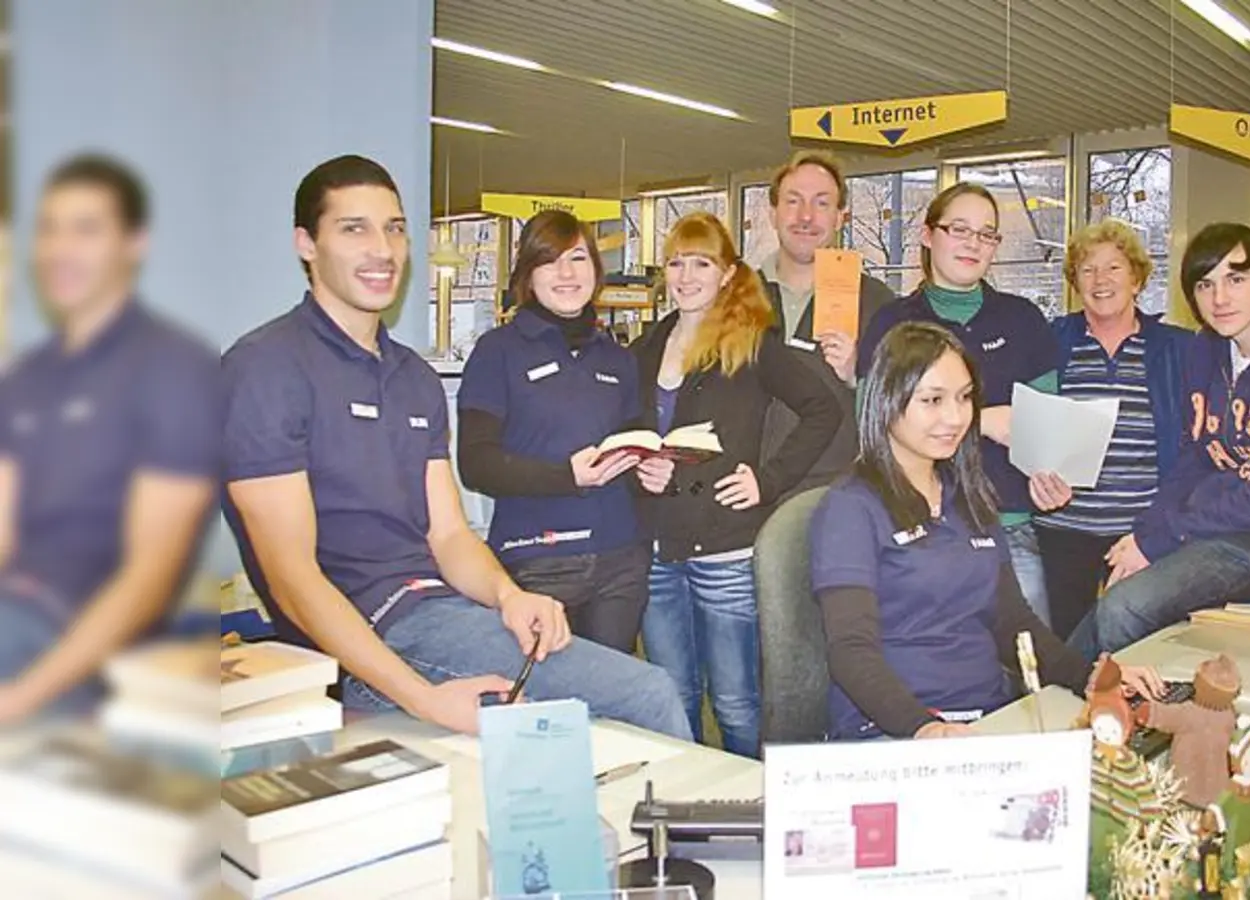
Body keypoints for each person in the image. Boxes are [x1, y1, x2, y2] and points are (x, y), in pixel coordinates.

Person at [220, 155, 690, 739]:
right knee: (648, 694)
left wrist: (509, 596)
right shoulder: (265, 369)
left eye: (394, 228)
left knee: (592, 732)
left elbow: (448, 535)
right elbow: (292, 578)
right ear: (306, 244)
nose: (382, 249)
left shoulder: (413, 378)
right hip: (373, 635)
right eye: (353, 229)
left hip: (442, 609)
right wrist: (425, 700)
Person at [810, 320, 1163, 741]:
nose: (955, 417)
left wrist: (1092, 678)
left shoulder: (968, 496)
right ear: (887, 399)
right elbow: (850, 650)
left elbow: (1012, 621)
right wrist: (924, 728)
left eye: (964, 398)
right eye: (932, 400)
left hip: (988, 718)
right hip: (896, 730)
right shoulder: (851, 507)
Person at [1068, 222, 1250, 660]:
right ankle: (1059, 690)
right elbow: (1194, 459)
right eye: (1205, 284)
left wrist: (1166, 537)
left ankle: (1085, 694)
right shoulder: (1207, 350)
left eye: (1235, 279)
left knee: (1125, 607)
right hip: (1224, 527)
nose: (1220, 298)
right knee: (1115, 595)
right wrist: (1145, 535)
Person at [0, 155, 221, 725]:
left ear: (134, 244)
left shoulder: (174, 370)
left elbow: (148, 580)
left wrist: (20, 699)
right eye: (49, 229)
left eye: (86, 229)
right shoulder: (25, 379)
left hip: (80, 650)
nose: (60, 248)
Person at [633, 211, 841, 758]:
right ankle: (686, 796)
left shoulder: (750, 342)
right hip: (656, 548)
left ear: (727, 273)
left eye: (701, 264)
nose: (686, 276)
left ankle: (750, 799)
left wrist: (768, 480)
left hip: (724, 548)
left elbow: (822, 409)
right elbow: (632, 429)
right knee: (671, 696)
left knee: (735, 703)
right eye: (676, 263)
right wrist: (637, 465)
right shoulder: (648, 344)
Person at [858, 183, 1072, 628]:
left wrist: (1050, 478)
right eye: (959, 229)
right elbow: (875, 425)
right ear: (927, 235)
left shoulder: (1023, 320)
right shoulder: (892, 324)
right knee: (934, 657)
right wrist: (982, 421)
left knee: (1031, 660)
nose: (973, 243)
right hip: (918, 528)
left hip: (1008, 527)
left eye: (986, 234)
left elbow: (1046, 430)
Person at [456, 210, 658, 654]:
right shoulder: (497, 351)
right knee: (546, 693)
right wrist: (566, 477)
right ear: (528, 274)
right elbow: (475, 463)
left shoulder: (618, 358)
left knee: (611, 689)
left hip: (621, 560)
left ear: (596, 270)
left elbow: (633, 440)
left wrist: (652, 469)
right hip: (537, 561)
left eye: (578, 258)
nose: (567, 274)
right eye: (550, 261)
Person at [1035, 219, 1192, 641]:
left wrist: (1160, 531)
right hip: (1063, 532)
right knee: (1071, 650)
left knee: (1144, 645)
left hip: (1141, 535)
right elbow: (1029, 427)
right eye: (1087, 270)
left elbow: (1193, 446)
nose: (1100, 280)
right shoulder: (1051, 342)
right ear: (1075, 283)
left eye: (1113, 268)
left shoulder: (1177, 349)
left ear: (1137, 279)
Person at [755, 150, 896, 499]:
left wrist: (858, 376)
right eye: (793, 201)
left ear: (840, 217)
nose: (805, 216)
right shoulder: (734, 299)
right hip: (745, 497)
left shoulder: (879, 304)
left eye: (821, 203)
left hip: (839, 499)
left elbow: (901, 410)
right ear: (772, 213)